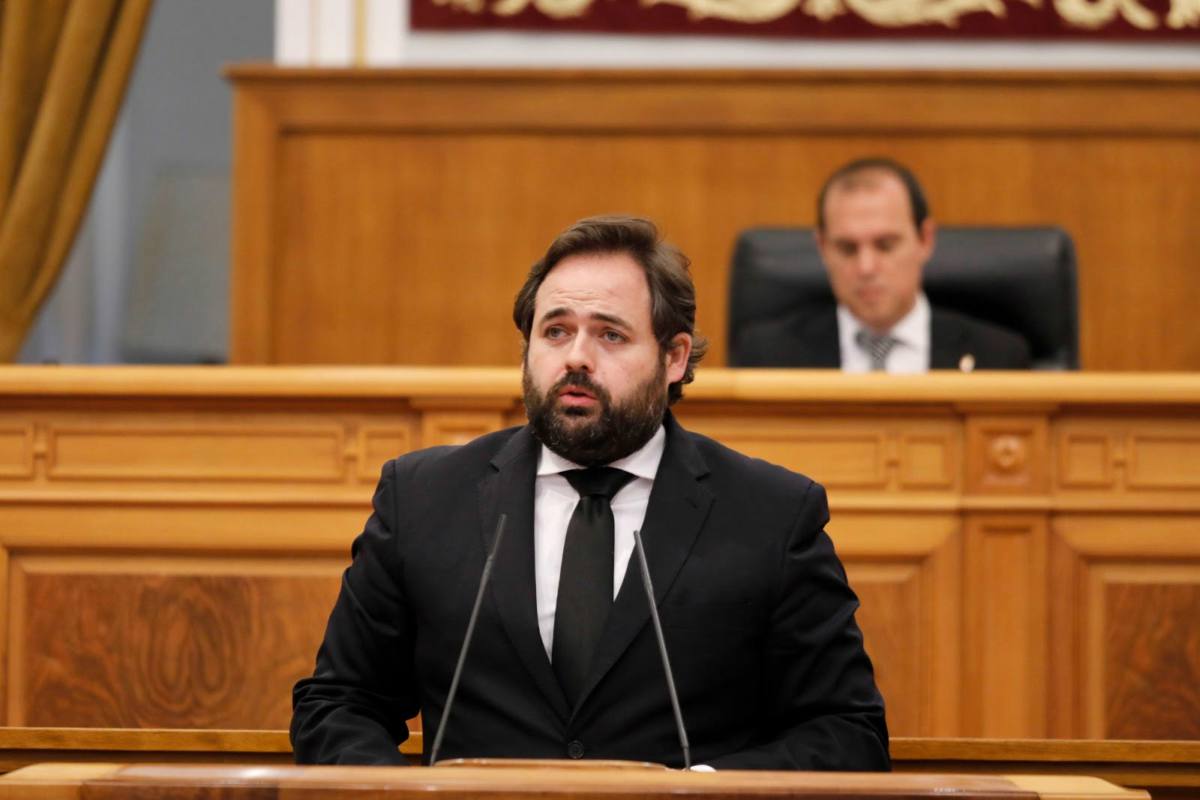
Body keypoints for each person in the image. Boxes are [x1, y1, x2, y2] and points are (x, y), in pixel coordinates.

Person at [290, 215, 889, 770]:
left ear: (674, 357)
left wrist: (707, 790)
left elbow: (847, 731)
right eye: (555, 331)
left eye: (610, 335)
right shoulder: (423, 499)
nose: (576, 358)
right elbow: (339, 704)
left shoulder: (770, 514)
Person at [738, 158, 1031, 372]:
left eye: (885, 245)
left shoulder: (997, 356)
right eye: (847, 248)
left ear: (925, 240)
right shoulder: (769, 356)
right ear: (822, 248)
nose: (866, 267)